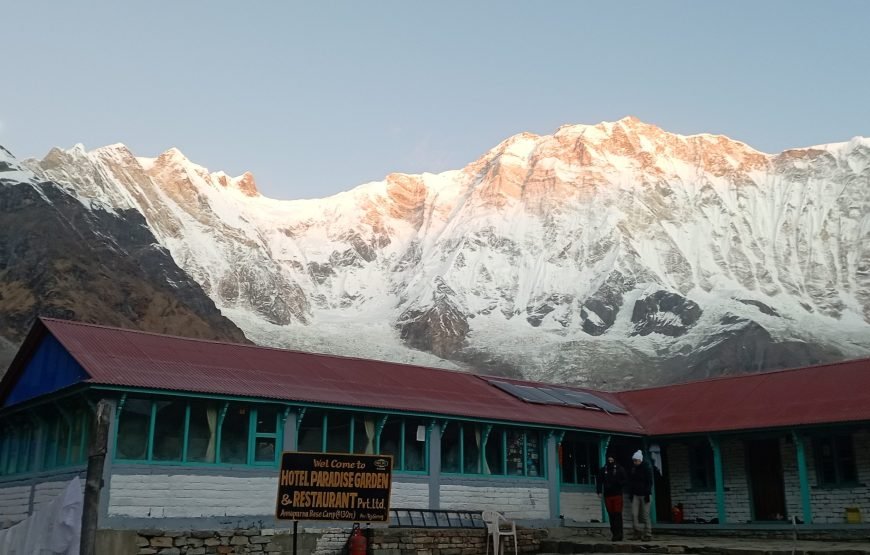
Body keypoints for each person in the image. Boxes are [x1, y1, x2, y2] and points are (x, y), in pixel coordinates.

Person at [596, 453, 626, 541]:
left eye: (612, 460)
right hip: (608, 495)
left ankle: (619, 534)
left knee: (617, 515)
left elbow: (625, 480)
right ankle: (614, 533)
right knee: (611, 515)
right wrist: (599, 491)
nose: (610, 462)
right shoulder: (603, 470)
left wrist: (619, 484)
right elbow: (599, 481)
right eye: (609, 460)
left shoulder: (620, 469)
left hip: (617, 494)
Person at [627, 450, 653, 541]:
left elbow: (649, 482)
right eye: (633, 460)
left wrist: (647, 493)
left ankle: (648, 534)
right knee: (634, 514)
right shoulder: (633, 469)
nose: (634, 462)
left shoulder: (646, 468)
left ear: (640, 460)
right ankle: (637, 532)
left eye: (636, 460)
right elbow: (631, 482)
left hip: (645, 494)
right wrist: (631, 494)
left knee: (645, 515)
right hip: (635, 495)